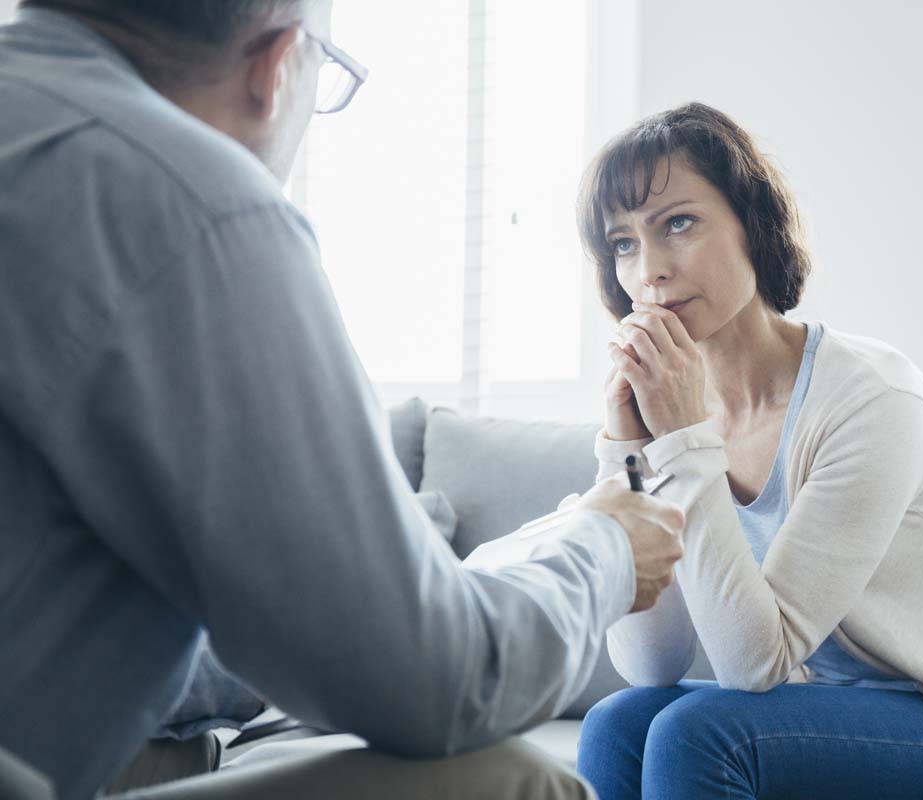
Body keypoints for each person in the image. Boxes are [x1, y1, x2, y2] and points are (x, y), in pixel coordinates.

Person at [0, 2, 688, 798]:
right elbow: (437, 682)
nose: (651, 270)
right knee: (507, 783)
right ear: (277, 66)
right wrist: (605, 548)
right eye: (627, 240)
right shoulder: (195, 202)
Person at [572, 103, 923, 799]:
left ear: (751, 225)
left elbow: (752, 665)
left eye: (679, 223)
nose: (650, 272)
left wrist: (681, 443)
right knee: (620, 722)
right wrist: (628, 453)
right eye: (623, 244)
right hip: (841, 712)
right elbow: (652, 663)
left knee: (700, 731)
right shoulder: (676, 419)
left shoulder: (873, 398)